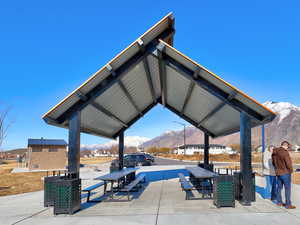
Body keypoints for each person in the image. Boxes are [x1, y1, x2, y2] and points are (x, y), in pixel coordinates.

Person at [272, 141, 296, 209]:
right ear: (285, 145)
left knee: (279, 188)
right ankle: (288, 204)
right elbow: (288, 163)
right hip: (285, 173)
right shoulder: (285, 152)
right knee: (287, 189)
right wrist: (291, 170)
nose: (287, 148)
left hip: (278, 173)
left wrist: (277, 169)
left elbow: (273, 163)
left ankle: (279, 202)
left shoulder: (274, 152)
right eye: (288, 147)